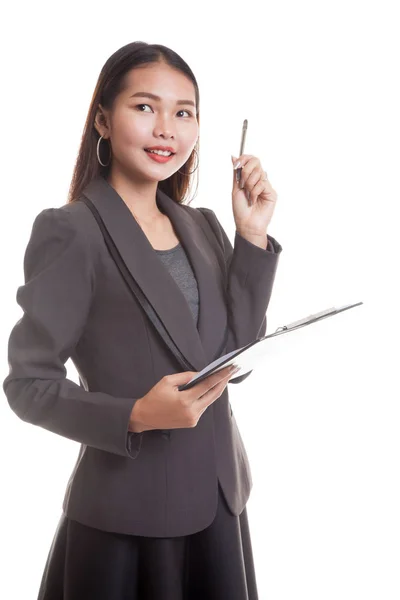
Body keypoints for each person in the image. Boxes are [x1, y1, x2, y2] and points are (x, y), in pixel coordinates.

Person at [3, 41, 282, 599]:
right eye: (145, 107)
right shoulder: (72, 231)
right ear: (103, 120)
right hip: (125, 521)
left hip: (218, 503)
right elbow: (28, 386)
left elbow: (235, 353)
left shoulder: (202, 226)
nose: (167, 130)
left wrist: (251, 235)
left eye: (184, 113)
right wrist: (133, 415)